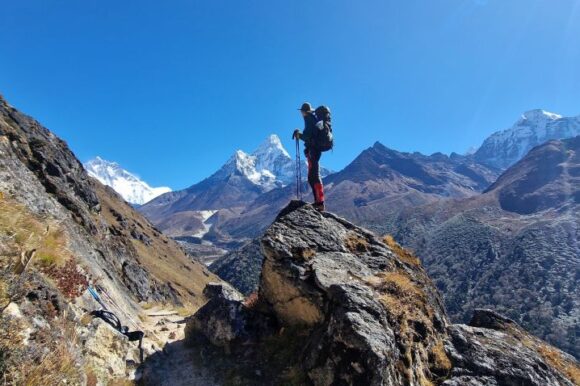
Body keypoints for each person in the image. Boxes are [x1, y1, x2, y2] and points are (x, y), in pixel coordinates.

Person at [293, 102, 325, 212]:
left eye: (301, 111)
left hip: (313, 150)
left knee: (313, 176)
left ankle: (319, 203)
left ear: (303, 112)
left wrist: (299, 135)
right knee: (314, 176)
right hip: (315, 150)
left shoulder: (309, 120)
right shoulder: (313, 119)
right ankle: (318, 202)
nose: (301, 113)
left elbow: (307, 136)